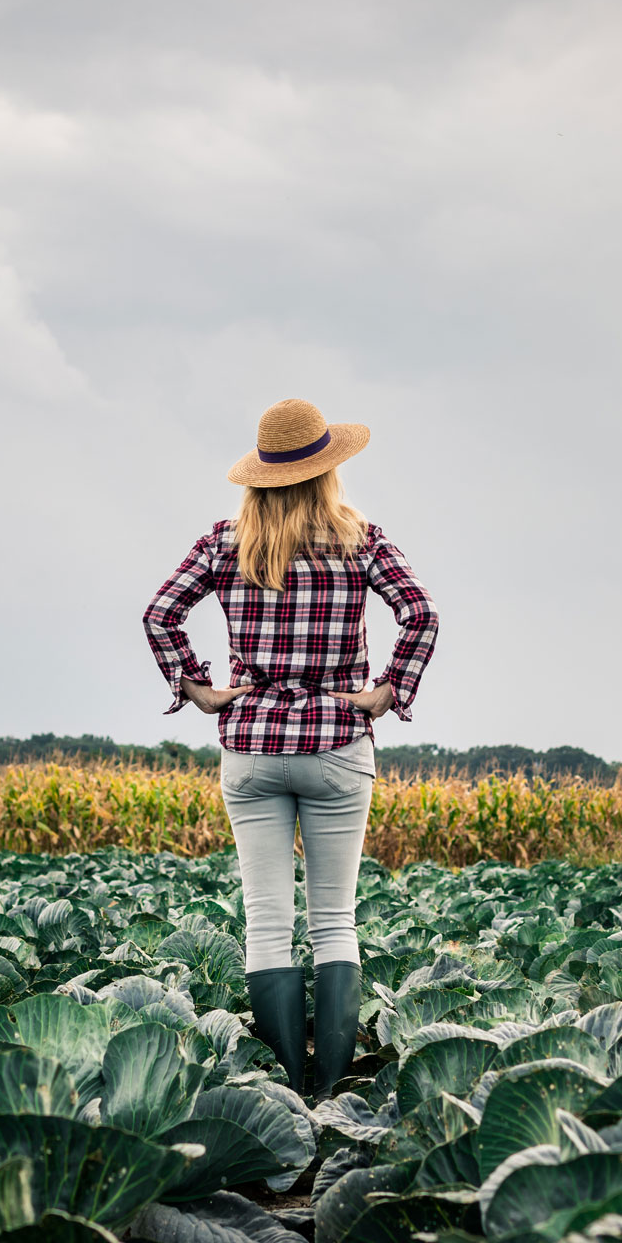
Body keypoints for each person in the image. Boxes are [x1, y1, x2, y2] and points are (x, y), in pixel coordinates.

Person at [142, 398, 440, 1098]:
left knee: (268, 922)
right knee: (334, 918)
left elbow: (160, 614)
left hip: (251, 744)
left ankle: (285, 1090)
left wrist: (199, 688)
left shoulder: (224, 541)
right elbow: (420, 612)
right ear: (327, 469)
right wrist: (389, 689)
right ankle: (332, 1092)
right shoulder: (360, 538)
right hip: (337, 741)